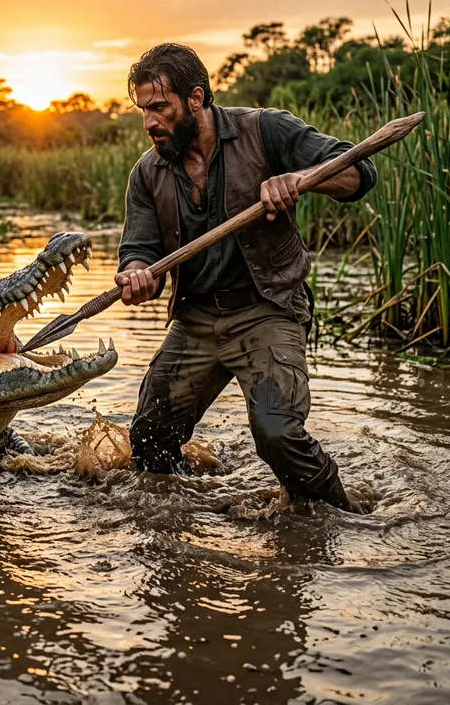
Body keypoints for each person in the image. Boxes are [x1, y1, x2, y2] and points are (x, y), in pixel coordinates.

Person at [116, 43, 376, 512]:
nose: (149, 122)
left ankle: (342, 515)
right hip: (195, 319)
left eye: (159, 107)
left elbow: (360, 172)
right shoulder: (148, 172)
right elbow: (140, 252)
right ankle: (173, 515)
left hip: (268, 308)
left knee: (277, 433)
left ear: (196, 98)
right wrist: (137, 274)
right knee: (150, 439)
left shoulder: (266, 130)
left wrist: (302, 177)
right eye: (143, 111)